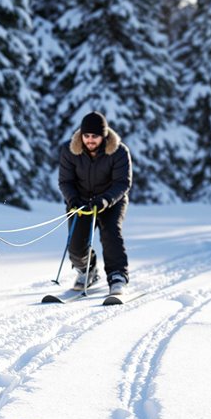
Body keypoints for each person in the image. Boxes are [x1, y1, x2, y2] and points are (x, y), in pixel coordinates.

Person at [58, 111, 132, 295]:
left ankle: (117, 276)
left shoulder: (119, 151)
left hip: (111, 202)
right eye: (86, 136)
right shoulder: (70, 150)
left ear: (104, 136)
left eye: (95, 136)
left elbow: (123, 182)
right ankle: (87, 270)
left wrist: (105, 200)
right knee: (75, 245)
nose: (90, 140)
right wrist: (72, 199)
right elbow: (65, 181)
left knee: (111, 234)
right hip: (80, 202)